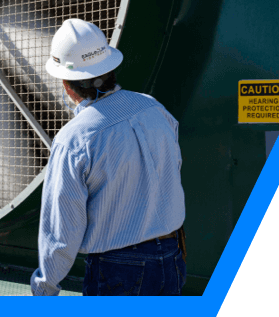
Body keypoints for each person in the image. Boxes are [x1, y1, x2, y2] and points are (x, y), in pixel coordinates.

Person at [30, 19, 187, 296]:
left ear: (67, 85)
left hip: (119, 270)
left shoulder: (73, 140)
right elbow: (173, 171)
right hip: (172, 259)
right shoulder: (155, 109)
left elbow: (62, 229)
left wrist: (46, 286)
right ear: (111, 68)